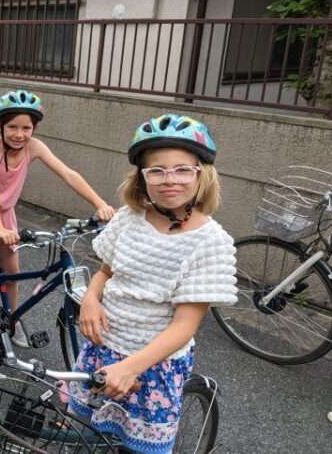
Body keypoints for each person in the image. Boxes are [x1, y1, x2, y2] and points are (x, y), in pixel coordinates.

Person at [70, 114, 238, 453]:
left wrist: (130, 367)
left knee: (140, 447)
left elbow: (184, 326)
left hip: (153, 366)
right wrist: (90, 297)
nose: (169, 180)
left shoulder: (211, 242)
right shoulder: (129, 219)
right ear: (142, 177)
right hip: (103, 347)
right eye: (156, 171)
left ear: (201, 174)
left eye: (181, 170)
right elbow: (106, 271)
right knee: (88, 436)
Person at [0, 90, 116, 358]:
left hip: (6, 217)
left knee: (12, 274)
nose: (19, 134)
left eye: (26, 128)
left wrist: (100, 204)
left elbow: (68, 174)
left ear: (34, 128)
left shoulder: (34, 147)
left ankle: (10, 322)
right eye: (12, 126)